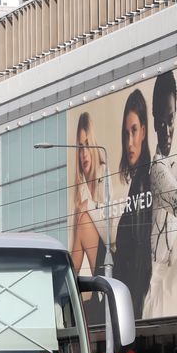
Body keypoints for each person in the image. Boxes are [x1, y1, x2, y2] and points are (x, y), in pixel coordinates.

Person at [144, 71, 177, 319]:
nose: (167, 129)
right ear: (153, 122)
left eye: (170, 119)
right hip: (162, 291)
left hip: (171, 287)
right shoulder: (158, 171)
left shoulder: (173, 168)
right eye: (161, 122)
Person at [115, 89, 153, 319]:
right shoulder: (138, 181)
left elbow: (140, 253)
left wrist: (133, 310)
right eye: (125, 133)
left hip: (132, 307)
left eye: (134, 130)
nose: (130, 142)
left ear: (144, 132)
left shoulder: (142, 183)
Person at [70, 111, 111, 282]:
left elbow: (108, 226)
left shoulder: (104, 172)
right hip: (93, 262)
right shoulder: (80, 187)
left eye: (87, 145)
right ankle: (70, 280)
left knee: (84, 219)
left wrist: (87, 207)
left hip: (108, 254)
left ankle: (66, 281)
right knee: (82, 221)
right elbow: (75, 240)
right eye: (80, 147)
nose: (84, 153)